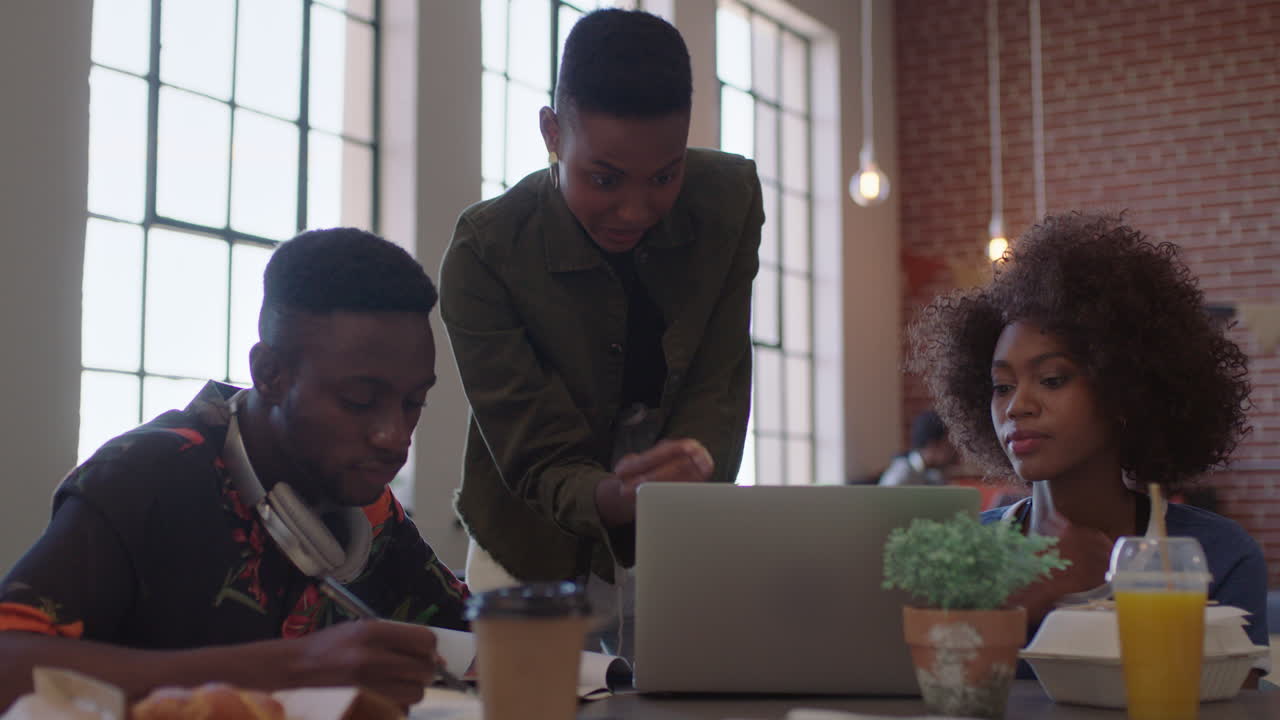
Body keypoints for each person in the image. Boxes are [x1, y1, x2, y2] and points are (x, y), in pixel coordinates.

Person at [0, 229, 468, 710]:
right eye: (359, 400)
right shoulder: (144, 478)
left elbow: (471, 630)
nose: (395, 436)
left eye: (414, 402)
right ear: (270, 374)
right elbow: (8, 662)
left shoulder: (363, 508)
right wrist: (293, 668)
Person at [439, 9, 762, 659]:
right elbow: (533, 449)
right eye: (605, 178)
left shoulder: (728, 200)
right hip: (527, 540)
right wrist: (610, 496)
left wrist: (692, 469)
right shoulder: (486, 251)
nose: (635, 210)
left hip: (676, 529)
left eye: (665, 175)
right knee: (530, 698)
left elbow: (718, 376)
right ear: (552, 133)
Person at [909, 212, 1269, 684]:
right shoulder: (969, 553)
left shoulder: (1214, 555)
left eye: (1052, 379)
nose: (1017, 406)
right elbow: (928, 689)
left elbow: (1233, 702)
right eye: (1001, 386)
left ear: (1123, 391)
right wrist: (1030, 597)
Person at [879, 410, 958, 486]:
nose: (953, 449)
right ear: (932, 445)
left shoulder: (934, 475)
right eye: (948, 444)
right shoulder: (901, 475)